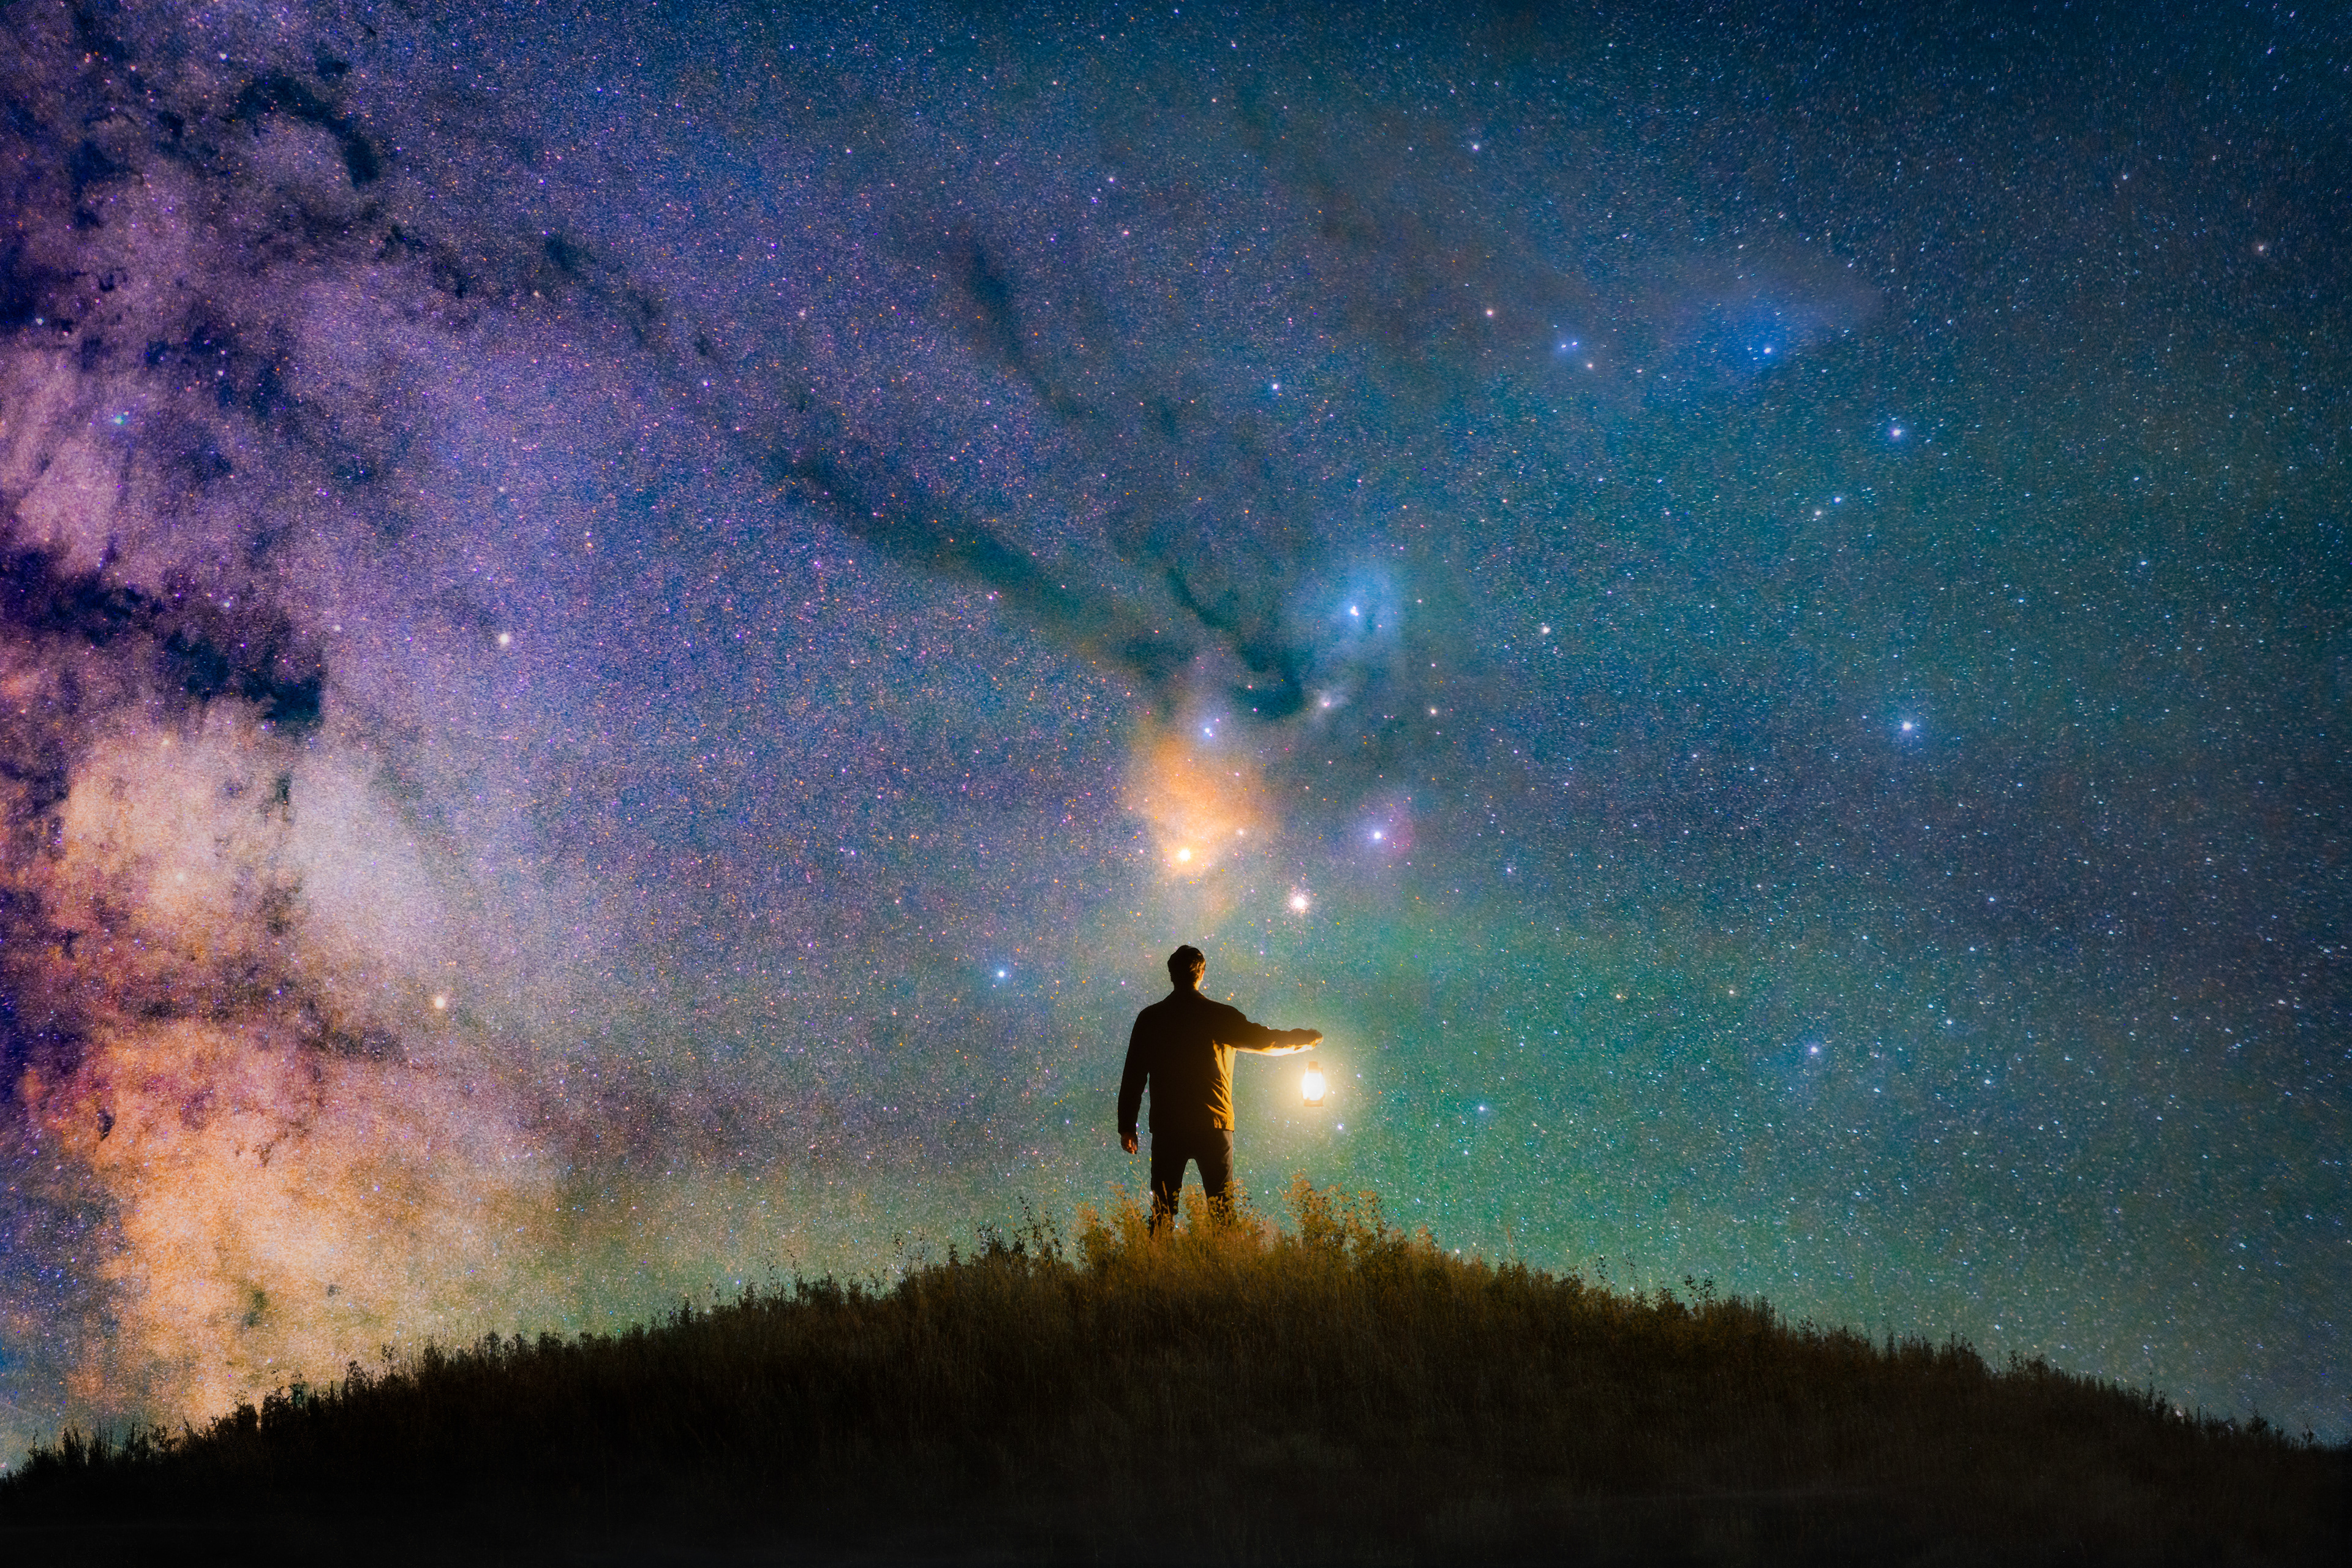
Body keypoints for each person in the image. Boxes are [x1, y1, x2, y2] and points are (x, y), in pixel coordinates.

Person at [1117, 944, 1321, 1230]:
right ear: (1202, 973)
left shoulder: (1150, 1019)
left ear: (1171, 975)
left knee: (1162, 1211)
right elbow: (1263, 1040)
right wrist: (1305, 1039)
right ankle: (1228, 1271)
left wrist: (1128, 1126)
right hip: (1214, 1124)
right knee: (1223, 1210)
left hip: (1168, 1126)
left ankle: (1156, 1268)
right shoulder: (1218, 1015)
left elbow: (1133, 1076)